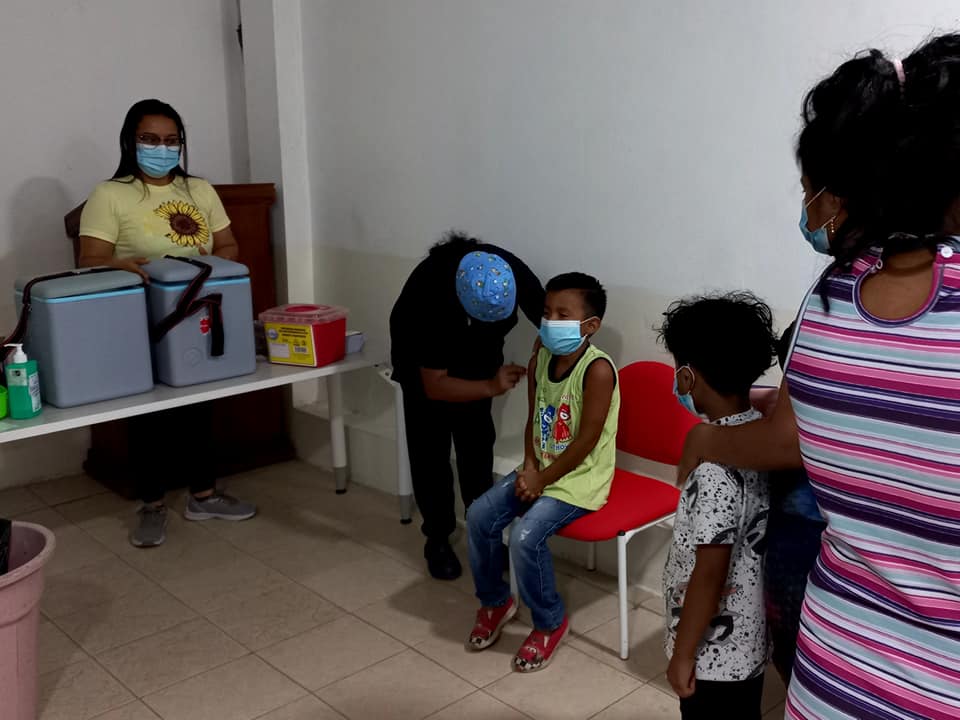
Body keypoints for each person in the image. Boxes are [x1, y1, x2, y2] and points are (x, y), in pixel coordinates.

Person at [678, 37, 960, 719]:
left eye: (811, 193)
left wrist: (706, 438)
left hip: (829, 674)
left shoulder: (833, 299)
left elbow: (813, 426)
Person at [78, 99, 256, 547]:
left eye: (171, 140)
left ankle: (204, 495)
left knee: (200, 403)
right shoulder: (110, 193)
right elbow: (90, 259)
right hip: (137, 318)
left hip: (197, 312)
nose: (162, 148)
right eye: (150, 139)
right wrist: (123, 265)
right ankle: (152, 504)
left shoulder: (199, 190)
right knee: (148, 411)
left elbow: (229, 246)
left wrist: (205, 267)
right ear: (130, 141)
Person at [465, 272, 618, 672]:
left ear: (590, 325)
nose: (550, 321)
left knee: (524, 537)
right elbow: (535, 418)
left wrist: (542, 480)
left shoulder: (597, 370)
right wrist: (530, 466)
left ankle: (550, 621)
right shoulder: (542, 358)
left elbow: (587, 440)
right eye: (547, 312)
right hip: (541, 469)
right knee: (479, 516)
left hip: (580, 480)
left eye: (562, 314)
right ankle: (496, 601)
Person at [390, 233, 544, 579]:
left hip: (478, 360)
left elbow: (548, 318)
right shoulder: (429, 301)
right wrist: (491, 385)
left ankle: (485, 534)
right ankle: (437, 537)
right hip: (423, 371)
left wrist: (554, 348)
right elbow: (435, 385)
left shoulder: (509, 270)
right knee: (430, 453)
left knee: (476, 448)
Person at [658, 293, 777, 720]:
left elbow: (709, 576)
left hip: (714, 657)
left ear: (687, 376)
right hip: (749, 642)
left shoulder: (712, 470)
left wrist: (683, 655)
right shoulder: (763, 438)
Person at [762, 322, 826, 685]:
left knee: (795, 642)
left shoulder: (793, 432)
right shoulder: (778, 415)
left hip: (807, 547)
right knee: (789, 642)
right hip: (788, 544)